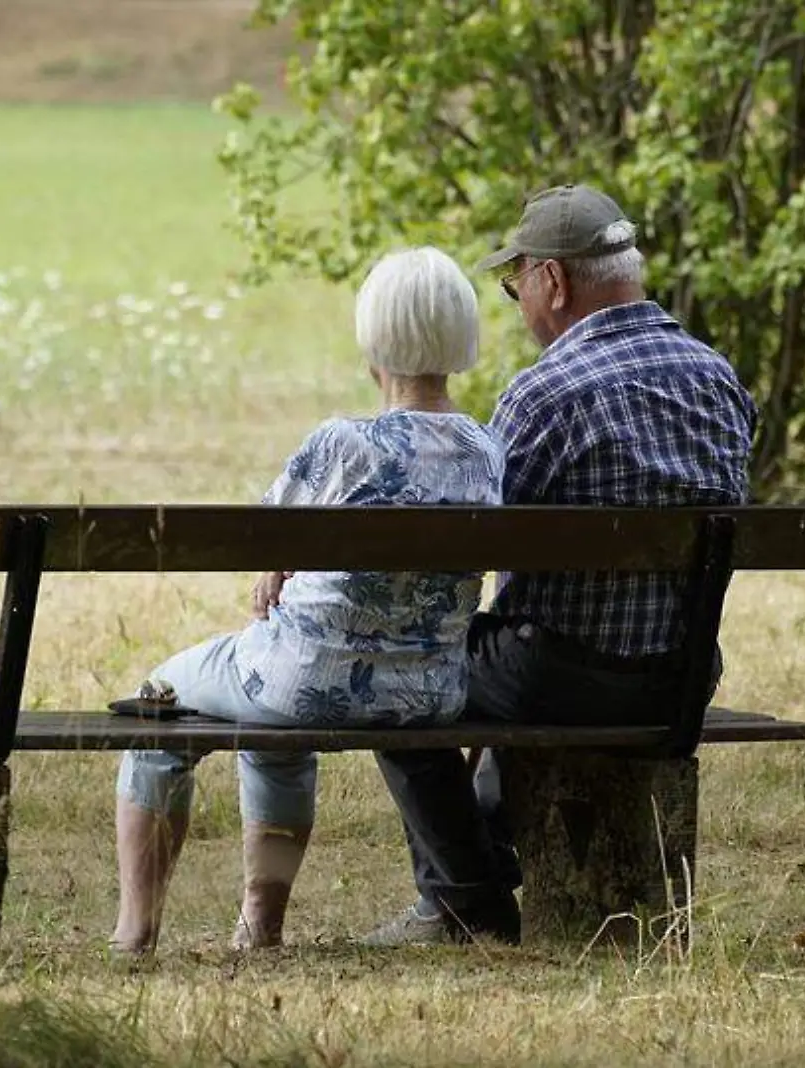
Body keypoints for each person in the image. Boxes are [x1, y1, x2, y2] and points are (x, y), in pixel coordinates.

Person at [360, 184, 759, 947]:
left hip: (560, 678)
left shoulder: (544, 395)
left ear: (553, 281)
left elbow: (472, 542)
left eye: (516, 288)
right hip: (680, 677)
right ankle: (473, 875)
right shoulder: (719, 380)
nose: (518, 305)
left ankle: (467, 900)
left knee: (392, 672)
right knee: (510, 657)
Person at [110, 246, 507, 955]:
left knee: (158, 700)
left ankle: (136, 930)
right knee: (271, 719)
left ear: (373, 340)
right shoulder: (486, 450)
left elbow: (258, 541)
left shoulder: (341, 445)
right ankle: (258, 924)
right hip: (428, 694)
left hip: (304, 682)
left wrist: (278, 565)